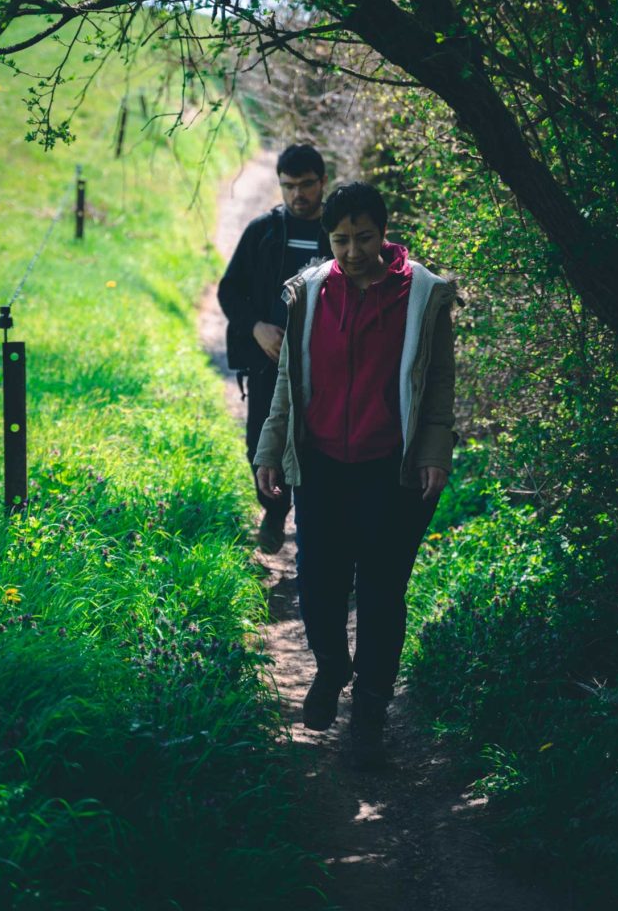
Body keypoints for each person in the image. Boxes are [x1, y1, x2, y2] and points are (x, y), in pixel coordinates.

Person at [254, 181, 456, 769]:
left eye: (363, 237)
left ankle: (370, 710)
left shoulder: (421, 293)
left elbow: (438, 382)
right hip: (320, 467)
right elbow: (290, 381)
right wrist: (271, 449)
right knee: (317, 581)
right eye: (340, 239)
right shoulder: (312, 291)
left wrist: (434, 453)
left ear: (383, 232)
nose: (351, 251)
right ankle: (331, 668)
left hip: (389, 469)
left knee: (381, 589)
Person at [218, 144, 331, 554]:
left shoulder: (339, 233)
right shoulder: (263, 232)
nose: (297, 194)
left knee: (320, 446)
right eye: (288, 186)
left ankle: (318, 535)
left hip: (326, 366)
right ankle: (274, 511)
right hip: (268, 364)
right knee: (261, 443)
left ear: (322, 182)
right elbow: (230, 291)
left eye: (305, 185)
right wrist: (255, 328)